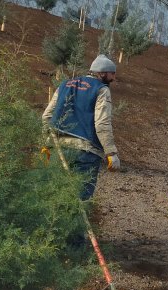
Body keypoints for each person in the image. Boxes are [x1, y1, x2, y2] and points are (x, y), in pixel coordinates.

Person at [42, 54, 120, 201]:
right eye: (112, 73)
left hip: (58, 148)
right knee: (79, 200)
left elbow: (46, 116)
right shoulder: (101, 89)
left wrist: (46, 143)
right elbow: (102, 123)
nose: (114, 78)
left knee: (54, 198)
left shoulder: (64, 84)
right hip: (85, 152)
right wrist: (111, 152)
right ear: (102, 73)